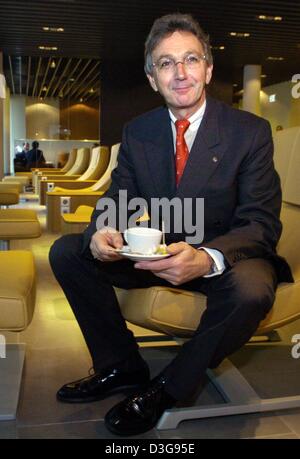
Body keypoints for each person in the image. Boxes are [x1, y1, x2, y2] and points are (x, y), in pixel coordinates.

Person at [49, 13, 293, 436]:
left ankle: (167, 388)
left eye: (191, 60)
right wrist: (102, 232)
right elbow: (120, 200)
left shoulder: (249, 132)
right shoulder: (139, 132)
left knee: (252, 289)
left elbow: (260, 223)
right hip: (162, 255)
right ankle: (120, 366)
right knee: (68, 252)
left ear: (208, 69)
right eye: (165, 63)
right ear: (151, 78)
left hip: (229, 259)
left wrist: (205, 257)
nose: (180, 74)